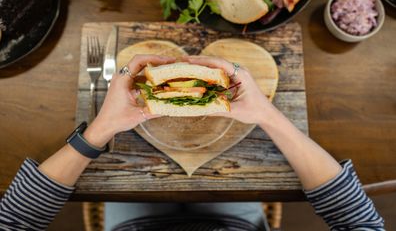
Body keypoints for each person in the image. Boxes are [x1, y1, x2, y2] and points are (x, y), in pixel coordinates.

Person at [0, 55, 385, 231]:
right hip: (236, 220)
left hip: (131, 220)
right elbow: (357, 220)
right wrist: (266, 115)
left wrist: (99, 131)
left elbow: (14, 221)